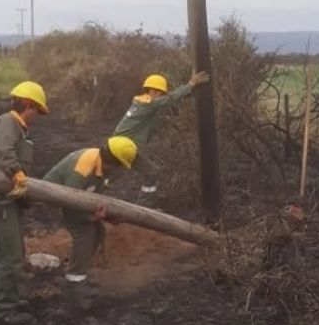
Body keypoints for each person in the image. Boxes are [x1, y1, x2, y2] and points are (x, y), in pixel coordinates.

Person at [0, 80, 48, 324]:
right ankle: (3, 313)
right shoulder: (8, 123)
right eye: (37, 111)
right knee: (11, 258)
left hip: (9, 204)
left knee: (15, 254)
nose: (37, 116)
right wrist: (19, 177)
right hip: (0, 204)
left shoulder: (20, 130)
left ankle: (9, 300)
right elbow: (5, 152)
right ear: (28, 105)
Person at [42, 136, 138, 283]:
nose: (120, 170)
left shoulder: (103, 165)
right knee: (85, 233)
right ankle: (74, 280)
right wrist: (91, 218)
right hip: (50, 200)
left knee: (99, 231)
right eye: (120, 166)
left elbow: (94, 195)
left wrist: (108, 217)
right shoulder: (81, 172)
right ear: (113, 162)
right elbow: (69, 205)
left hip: (76, 197)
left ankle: (80, 268)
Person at [113, 70, 210, 203]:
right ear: (154, 91)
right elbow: (171, 98)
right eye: (160, 93)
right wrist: (191, 83)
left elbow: (167, 100)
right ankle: (144, 204)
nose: (161, 95)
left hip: (116, 144)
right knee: (152, 172)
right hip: (126, 146)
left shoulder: (140, 101)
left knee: (111, 173)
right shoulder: (149, 104)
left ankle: (96, 195)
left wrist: (188, 92)